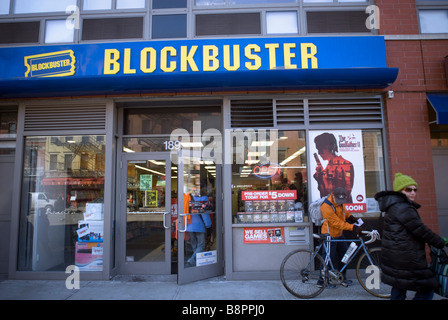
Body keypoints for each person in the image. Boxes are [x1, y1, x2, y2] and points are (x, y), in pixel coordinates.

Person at [374, 173, 448, 300]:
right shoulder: (403, 207)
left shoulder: (394, 206)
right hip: (407, 258)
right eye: (408, 189)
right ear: (400, 191)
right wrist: (440, 241)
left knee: (399, 286)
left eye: (415, 189)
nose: (413, 192)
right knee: (427, 286)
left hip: (397, 257)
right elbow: (421, 230)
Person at [319, 187, 364, 287]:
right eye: (338, 200)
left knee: (345, 255)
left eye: (342, 200)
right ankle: (322, 281)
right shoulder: (326, 206)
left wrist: (352, 218)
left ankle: (341, 277)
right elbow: (337, 223)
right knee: (327, 259)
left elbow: (344, 213)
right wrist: (353, 227)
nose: (340, 203)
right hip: (329, 235)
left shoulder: (341, 202)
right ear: (333, 196)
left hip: (339, 234)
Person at [313, 132, 354, 203]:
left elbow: (347, 190)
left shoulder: (346, 164)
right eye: (318, 149)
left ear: (330, 147)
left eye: (321, 149)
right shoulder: (327, 167)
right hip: (328, 205)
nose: (319, 152)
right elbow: (323, 192)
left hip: (341, 206)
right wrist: (319, 178)